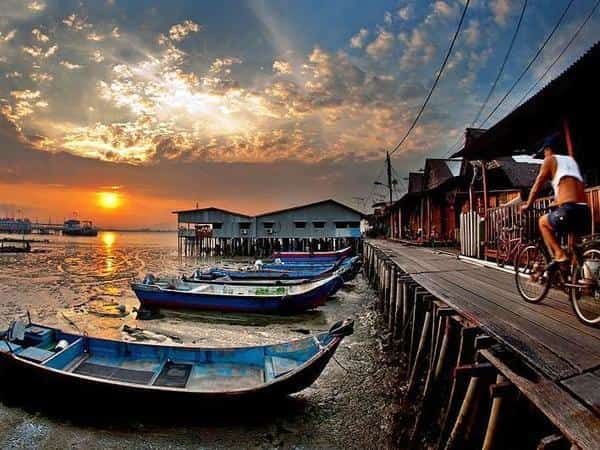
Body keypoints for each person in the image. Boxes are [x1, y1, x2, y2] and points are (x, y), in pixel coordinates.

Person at [521, 133, 590, 266]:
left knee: (542, 222)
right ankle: (576, 279)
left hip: (569, 210)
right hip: (585, 211)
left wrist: (528, 205)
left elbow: (537, 186)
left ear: (548, 149)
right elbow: (569, 187)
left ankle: (558, 255)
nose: (544, 156)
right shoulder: (571, 162)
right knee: (575, 247)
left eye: (545, 152)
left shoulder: (551, 159)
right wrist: (557, 202)